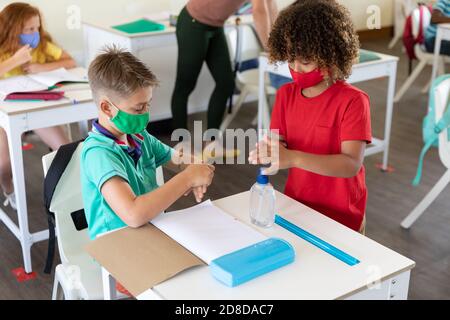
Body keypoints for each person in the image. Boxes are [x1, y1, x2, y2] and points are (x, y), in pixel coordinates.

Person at [249, 0, 371, 233]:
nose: (295, 68)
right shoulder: (285, 95)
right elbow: (278, 142)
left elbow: (350, 165)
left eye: (305, 62)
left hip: (342, 215)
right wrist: (269, 150)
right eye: (290, 59)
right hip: (298, 206)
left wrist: (292, 158)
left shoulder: (353, 101)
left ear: (332, 56)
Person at [81, 46, 215, 240]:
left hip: (151, 232)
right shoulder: (98, 154)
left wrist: (197, 167)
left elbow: (177, 159)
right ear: (106, 108)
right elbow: (133, 214)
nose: (146, 114)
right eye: (138, 108)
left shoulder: (138, 136)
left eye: (148, 104)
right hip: (117, 248)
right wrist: (188, 178)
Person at [171, 0, 277, 160]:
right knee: (185, 86)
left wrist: (277, 41)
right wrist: (272, 50)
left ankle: (212, 143)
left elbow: (270, 6)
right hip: (193, 24)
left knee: (226, 83)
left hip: (216, 27)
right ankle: (181, 144)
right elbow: (260, 12)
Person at [0, 2, 74, 210]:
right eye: (29, 29)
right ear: (12, 30)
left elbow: (70, 61)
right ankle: (9, 190)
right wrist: (15, 60)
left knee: (65, 149)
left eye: (37, 28)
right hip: (4, 116)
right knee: (3, 165)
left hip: (33, 108)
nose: (35, 33)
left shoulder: (41, 46)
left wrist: (42, 66)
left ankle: (67, 193)